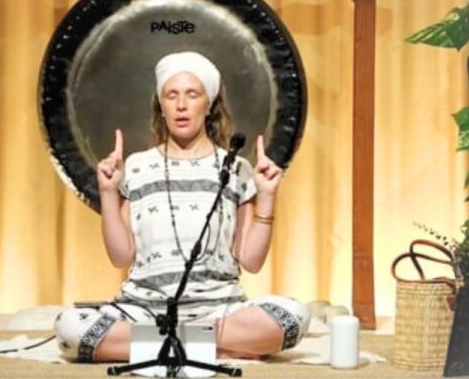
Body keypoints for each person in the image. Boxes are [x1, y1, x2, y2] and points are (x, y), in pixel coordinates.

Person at [55, 51, 311, 363]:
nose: (181, 105)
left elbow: (251, 261)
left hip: (219, 311)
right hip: (143, 310)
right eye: (171, 95)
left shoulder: (236, 168)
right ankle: (208, 346)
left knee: (294, 315)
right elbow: (120, 256)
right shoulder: (137, 167)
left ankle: (165, 345)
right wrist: (108, 193)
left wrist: (268, 196)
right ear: (161, 107)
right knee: (70, 328)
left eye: (192, 94)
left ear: (209, 105)